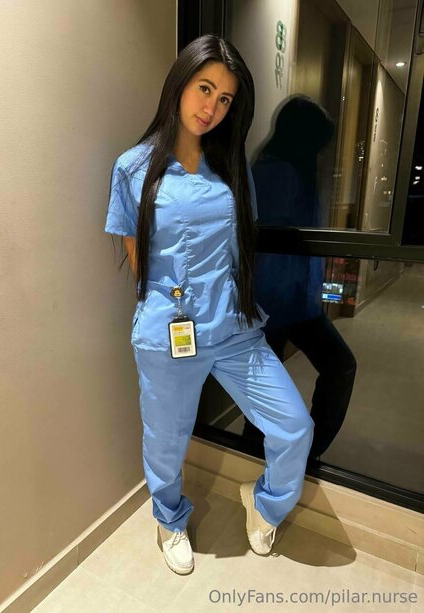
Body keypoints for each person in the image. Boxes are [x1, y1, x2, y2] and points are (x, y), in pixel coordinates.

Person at [104, 34, 314, 576]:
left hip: (235, 328)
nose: (211, 108)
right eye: (204, 88)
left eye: (224, 99)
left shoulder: (231, 168)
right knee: (166, 442)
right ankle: (169, 519)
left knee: (294, 425)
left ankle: (265, 502)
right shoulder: (132, 168)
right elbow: (139, 261)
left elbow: (240, 245)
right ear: (179, 83)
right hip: (169, 332)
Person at [243, 96, 357, 461]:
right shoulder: (275, 173)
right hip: (273, 304)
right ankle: (287, 457)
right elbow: (266, 246)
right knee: (334, 368)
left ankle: (294, 456)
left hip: (295, 303)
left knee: (272, 392)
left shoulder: (293, 171)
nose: (320, 153)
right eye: (316, 144)